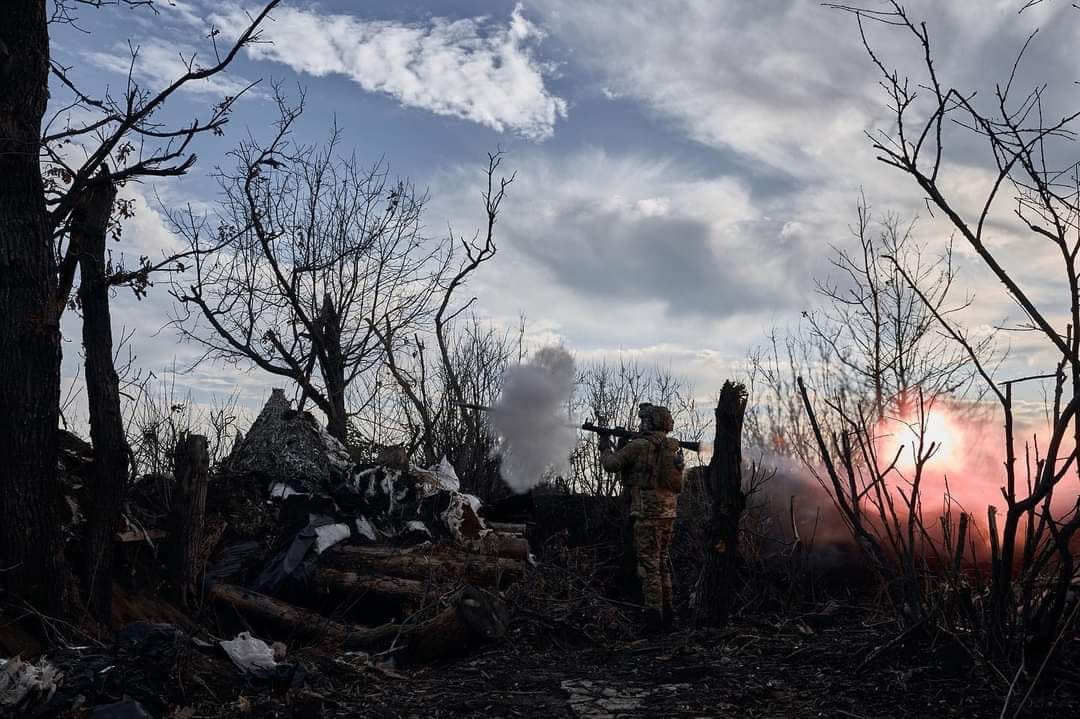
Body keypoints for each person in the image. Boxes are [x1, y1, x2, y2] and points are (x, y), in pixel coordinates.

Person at [598, 403, 684, 631]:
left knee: (649, 566)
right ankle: (668, 616)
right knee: (662, 563)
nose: (640, 423)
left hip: (647, 514)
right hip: (668, 512)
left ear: (649, 422)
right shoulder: (671, 447)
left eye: (643, 420)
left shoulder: (639, 446)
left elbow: (611, 465)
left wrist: (604, 444)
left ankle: (653, 619)